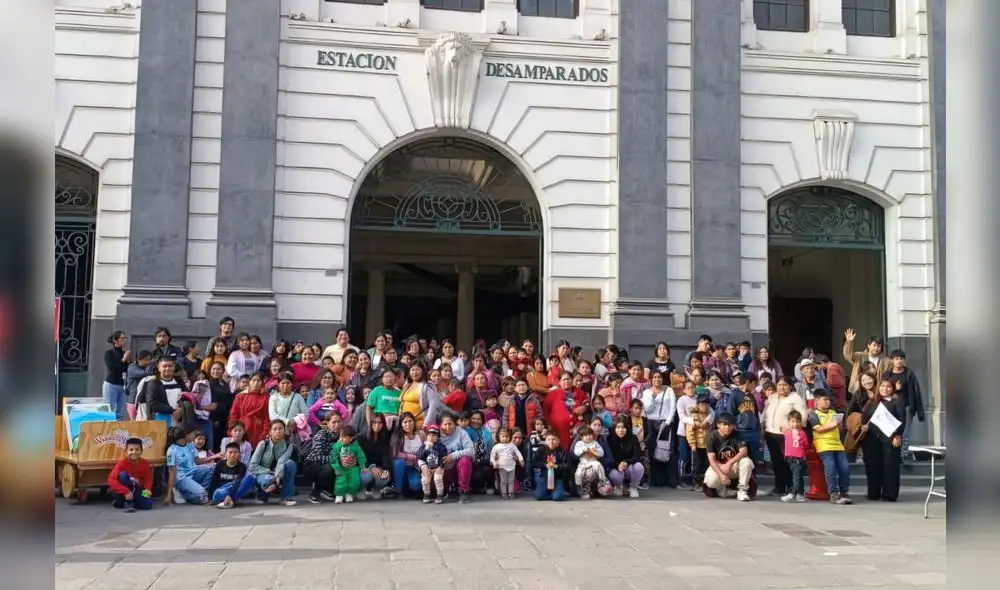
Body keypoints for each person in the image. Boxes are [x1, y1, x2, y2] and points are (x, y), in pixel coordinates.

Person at [860, 379, 906, 502]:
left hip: (890, 438)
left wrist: (898, 435)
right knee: (873, 465)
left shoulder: (897, 402)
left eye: (888, 386)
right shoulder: (872, 402)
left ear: (893, 389)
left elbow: (902, 420)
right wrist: (863, 426)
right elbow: (865, 419)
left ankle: (889, 494)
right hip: (871, 438)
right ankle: (873, 493)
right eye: (882, 386)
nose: (885, 389)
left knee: (890, 466)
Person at [761, 376, 808, 496]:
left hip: (786, 436)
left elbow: (803, 415)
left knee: (788, 462)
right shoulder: (772, 398)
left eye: (785, 385)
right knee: (776, 462)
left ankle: (791, 487)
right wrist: (762, 428)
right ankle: (779, 487)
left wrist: (792, 428)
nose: (782, 387)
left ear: (790, 387)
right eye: (779, 385)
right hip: (771, 433)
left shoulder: (795, 398)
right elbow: (765, 414)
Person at [809, 389, 852, 505]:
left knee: (845, 468)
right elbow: (818, 429)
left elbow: (839, 429)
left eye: (829, 400)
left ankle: (844, 492)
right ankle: (833, 493)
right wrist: (832, 425)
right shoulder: (814, 415)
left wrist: (840, 425)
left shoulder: (834, 413)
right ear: (816, 401)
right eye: (825, 400)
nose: (828, 402)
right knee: (831, 468)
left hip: (837, 444)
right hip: (824, 445)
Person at [882, 349, 925, 463]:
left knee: (905, 432)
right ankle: (892, 454)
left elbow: (916, 392)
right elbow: (882, 390)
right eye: (896, 359)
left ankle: (903, 454)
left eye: (901, 359)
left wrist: (919, 411)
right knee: (891, 431)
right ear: (892, 360)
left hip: (906, 407)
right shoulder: (887, 374)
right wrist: (896, 389)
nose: (899, 361)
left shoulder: (909, 374)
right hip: (891, 406)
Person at [704, 413, 754, 502]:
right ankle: (721, 489)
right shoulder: (711, 436)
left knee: (747, 462)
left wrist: (730, 463)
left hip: (733, 465)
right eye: (724, 424)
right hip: (719, 465)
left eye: (730, 425)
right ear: (718, 425)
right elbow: (711, 459)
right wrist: (721, 475)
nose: (727, 427)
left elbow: (744, 451)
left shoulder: (737, 434)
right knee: (711, 481)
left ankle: (742, 490)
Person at [247, 420, 298, 506]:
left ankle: (286, 497)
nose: (278, 431)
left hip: (279, 474)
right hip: (263, 474)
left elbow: (282, 462)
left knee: (290, 464)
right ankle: (262, 494)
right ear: (270, 432)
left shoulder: (288, 446)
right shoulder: (263, 444)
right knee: (268, 480)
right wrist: (270, 472)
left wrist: (277, 476)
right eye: (275, 429)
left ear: (284, 431)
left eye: (280, 428)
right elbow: (252, 466)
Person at [164, 426, 216, 505]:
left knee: (213, 468)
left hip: (194, 471)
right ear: (185, 435)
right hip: (182, 478)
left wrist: (214, 458)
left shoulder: (190, 444)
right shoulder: (172, 450)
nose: (194, 436)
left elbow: (197, 461)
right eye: (192, 434)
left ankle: (200, 491)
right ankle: (186, 493)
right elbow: (172, 473)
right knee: (202, 495)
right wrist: (168, 495)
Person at [303, 412, 340, 503]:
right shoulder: (322, 434)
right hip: (313, 464)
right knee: (330, 468)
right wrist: (336, 461)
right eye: (334, 422)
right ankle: (315, 493)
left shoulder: (343, 435)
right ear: (328, 423)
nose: (337, 425)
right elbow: (318, 455)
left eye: (339, 422)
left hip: (332, 462)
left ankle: (328, 490)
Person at [108, 437, 153, 512]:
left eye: (137, 449)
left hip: (137, 489)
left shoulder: (145, 463)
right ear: (126, 451)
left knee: (148, 504)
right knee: (123, 475)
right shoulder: (122, 463)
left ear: (141, 451)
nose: (134, 452)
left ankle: (131, 502)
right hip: (124, 490)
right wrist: (126, 491)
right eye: (131, 450)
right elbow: (111, 480)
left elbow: (148, 480)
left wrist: (147, 492)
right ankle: (126, 503)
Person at [208, 442, 256, 509]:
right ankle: (231, 500)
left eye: (235, 452)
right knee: (223, 490)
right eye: (230, 452)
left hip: (234, 489)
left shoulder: (242, 466)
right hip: (221, 491)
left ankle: (231, 501)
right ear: (225, 454)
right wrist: (210, 497)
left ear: (239, 454)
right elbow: (214, 481)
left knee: (250, 478)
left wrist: (229, 495)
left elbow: (238, 482)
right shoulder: (220, 464)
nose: (233, 455)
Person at [228, 373, 271, 448]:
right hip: (242, 428)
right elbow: (233, 414)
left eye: (258, 381)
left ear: (262, 383)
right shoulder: (241, 396)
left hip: (258, 429)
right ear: (249, 382)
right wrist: (231, 430)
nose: (256, 383)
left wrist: (264, 433)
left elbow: (267, 417)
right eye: (253, 380)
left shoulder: (266, 397)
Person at [842, 329, 891, 394]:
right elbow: (848, 356)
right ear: (869, 345)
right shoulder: (860, 356)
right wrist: (849, 342)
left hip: (877, 390)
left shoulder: (886, 361)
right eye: (874, 345)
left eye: (879, 346)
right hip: (859, 388)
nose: (876, 348)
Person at [358, 413, 395, 498]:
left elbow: (386, 455)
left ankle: (380, 488)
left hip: (379, 466)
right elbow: (359, 457)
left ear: (383, 424)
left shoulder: (386, 437)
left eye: (380, 423)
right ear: (370, 423)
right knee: (367, 477)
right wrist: (371, 467)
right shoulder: (362, 437)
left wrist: (386, 469)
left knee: (383, 478)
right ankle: (368, 488)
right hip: (365, 466)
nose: (377, 425)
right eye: (374, 422)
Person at [608, 416, 644, 498]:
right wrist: (618, 465)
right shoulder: (610, 439)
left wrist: (626, 462)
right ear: (614, 428)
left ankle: (633, 487)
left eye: (623, 427)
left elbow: (637, 456)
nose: (620, 430)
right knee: (615, 475)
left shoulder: (633, 438)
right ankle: (618, 486)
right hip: (616, 468)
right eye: (618, 427)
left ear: (627, 428)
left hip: (629, 467)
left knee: (639, 467)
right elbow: (610, 459)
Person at [390, 412, 425, 498]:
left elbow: (426, 449)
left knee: (415, 484)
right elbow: (395, 453)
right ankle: (398, 489)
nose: (408, 424)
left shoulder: (420, 434)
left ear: (414, 422)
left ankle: (412, 489)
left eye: (410, 421)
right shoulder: (399, 436)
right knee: (398, 463)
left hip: (417, 466)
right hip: (404, 467)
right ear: (401, 424)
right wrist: (411, 457)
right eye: (405, 422)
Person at [686, 392, 713, 492]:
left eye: (706, 404)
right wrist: (692, 443)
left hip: (707, 444)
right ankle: (695, 483)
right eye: (701, 404)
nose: (704, 406)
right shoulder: (694, 416)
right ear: (697, 405)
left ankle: (703, 482)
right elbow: (689, 431)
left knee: (706, 464)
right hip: (697, 444)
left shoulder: (710, 416)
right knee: (696, 464)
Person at [331, 424, 365, 503]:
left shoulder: (356, 446)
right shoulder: (337, 446)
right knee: (340, 481)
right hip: (341, 468)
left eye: (344, 437)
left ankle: (349, 494)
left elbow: (361, 456)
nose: (341, 439)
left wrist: (362, 466)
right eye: (341, 437)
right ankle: (339, 495)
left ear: (350, 438)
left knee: (354, 481)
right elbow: (333, 457)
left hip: (353, 468)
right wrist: (336, 468)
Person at [571, 426, 607, 499]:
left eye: (590, 434)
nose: (588, 437)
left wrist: (595, 452)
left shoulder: (595, 443)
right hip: (583, 463)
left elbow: (601, 453)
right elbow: (576, 452)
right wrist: (584, 449)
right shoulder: (579, 443)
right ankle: (579, 486)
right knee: (578, 474)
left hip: (593, 461)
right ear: (581, 437)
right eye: (585, 435)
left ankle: (602, 480)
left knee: (598, 465)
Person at [781, 410, 808, 503]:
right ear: (789, 422)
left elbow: (806, 445)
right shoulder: (787, 433)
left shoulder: (802, 433)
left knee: (796, 477)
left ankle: (792, 493)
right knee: (798, 477)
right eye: (793, 421)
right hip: (790, 459)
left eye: (797, 421)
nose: (795, 424)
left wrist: (799, 439)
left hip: (799, 459)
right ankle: (800, 493)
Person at [532, 432, 569, 501]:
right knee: (539, 496)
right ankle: (550, 493)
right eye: (548, 440)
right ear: (545, 441)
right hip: (544, 476)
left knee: (558, 497)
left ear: (558, 441)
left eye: (553, 439)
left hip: (557, 477)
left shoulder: (562, 451)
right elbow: (534, 463)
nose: (551, 442)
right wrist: (545, 465)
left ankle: (556, 493)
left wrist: (556, 466)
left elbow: (567, 465)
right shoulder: (541, 449)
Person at [490, 428, 525, 500]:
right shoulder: (496, 446)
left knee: (510, 481)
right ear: (499, 437)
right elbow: (492, 456)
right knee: (503, 480)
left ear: (509, 437)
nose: (505, 438)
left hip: (512, 466)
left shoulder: (512, 446)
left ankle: (510, 492)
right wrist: (493, 462)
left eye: (507, 436)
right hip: (502, 466)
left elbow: (518, 453)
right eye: (503, 436)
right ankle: (504, 492)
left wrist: (521, 460)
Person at [418, 424, 449, 504]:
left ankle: (439, 495)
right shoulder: (423, 446)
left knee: (438, 478)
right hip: (427, 468)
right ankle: (426, 494)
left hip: (438, 467)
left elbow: (444, 458)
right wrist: (426, 449)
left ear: (438, 437)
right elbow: (420, 457)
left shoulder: (441, 446)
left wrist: (440, 467)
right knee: (425, 480)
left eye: (434, 435)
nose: (431, 437)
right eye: (429, 435)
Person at [125, 350, 152, 420]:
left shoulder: (146, 368)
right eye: (146, 360)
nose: (147, 362)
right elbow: (144, 374)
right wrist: (151, 364)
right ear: (138, 360)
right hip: (133, 401)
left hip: (143, 402)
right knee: (135, 423)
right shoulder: (132, 367)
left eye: (149, 360)